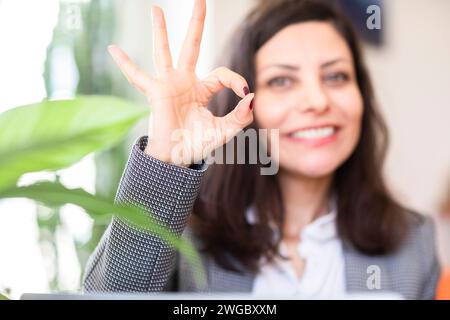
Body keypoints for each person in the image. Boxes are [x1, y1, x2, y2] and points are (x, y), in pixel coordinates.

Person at [82, 0, 440, 299]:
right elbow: (111, 296)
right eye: (281, 80)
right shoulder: (185, 230)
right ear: (243, 102)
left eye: (336, 76)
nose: (317, 101)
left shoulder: (413, 242)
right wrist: (167, 156)